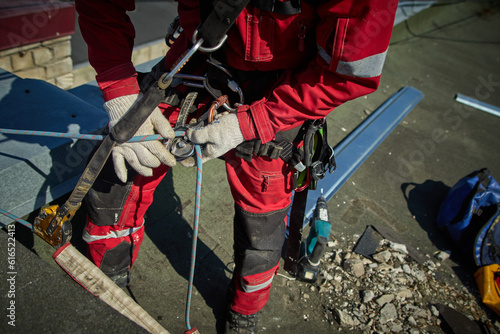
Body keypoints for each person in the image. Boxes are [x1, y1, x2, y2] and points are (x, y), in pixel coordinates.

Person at [75, 0, 397, 332]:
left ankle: (243, 312)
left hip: (285, 91)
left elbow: (349, 74)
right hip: (201, 57)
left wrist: (253, 123)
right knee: (119, 175)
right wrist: (121, 92)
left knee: (263, 227)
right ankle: (108, 276)